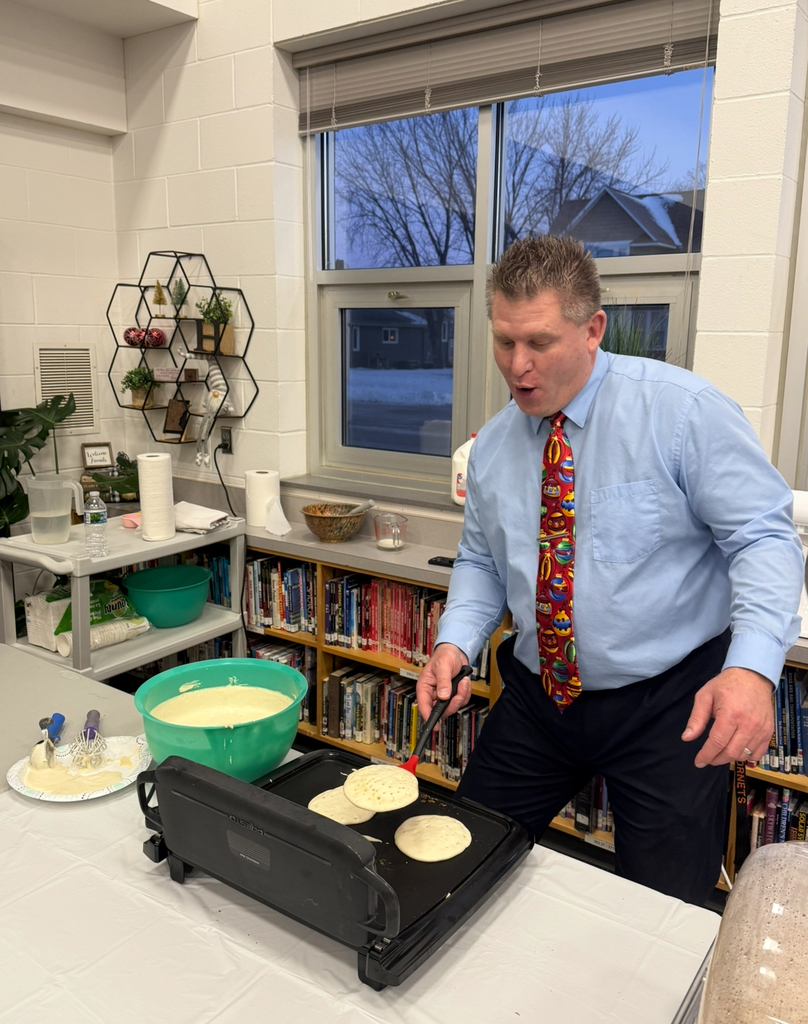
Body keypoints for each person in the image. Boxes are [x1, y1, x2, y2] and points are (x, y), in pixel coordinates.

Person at [416, 234, 804, 905]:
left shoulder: (682, 412)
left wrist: (751, 669)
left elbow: (763, 537)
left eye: (539, 341)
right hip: (542, 698)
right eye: (504, 342)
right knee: (463, 857)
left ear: (593, 329)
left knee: (663, 906)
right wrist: (455, 643)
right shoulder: (493, 447)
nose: (518, 364)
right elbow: (482, 559)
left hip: (669, 704)